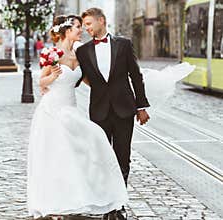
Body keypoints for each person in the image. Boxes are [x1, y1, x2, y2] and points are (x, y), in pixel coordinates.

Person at [27, 15, 128, 220]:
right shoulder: (52, 53)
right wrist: (53, 76)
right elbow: (42, 82)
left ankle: (84, 196)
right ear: (66, 31)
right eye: (77, 27)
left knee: (90, 144)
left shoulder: (80, 54)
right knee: (57, 156)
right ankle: (54, 204)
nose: (80, 30)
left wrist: (114, 85)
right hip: (53, 110)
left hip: (71, 109)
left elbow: (91, 81)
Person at [75, 8, 150, 219]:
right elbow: (80, 77)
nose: (86, 29)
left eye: (89, 24)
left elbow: (136, 76)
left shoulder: (124, 44)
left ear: (101, 21)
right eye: (84, 25)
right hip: (99, 112)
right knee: (101, 158)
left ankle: (119, 203)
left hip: (125, 110)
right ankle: (107, 203)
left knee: (122, 157)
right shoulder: (83, 51)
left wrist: (141, 106)